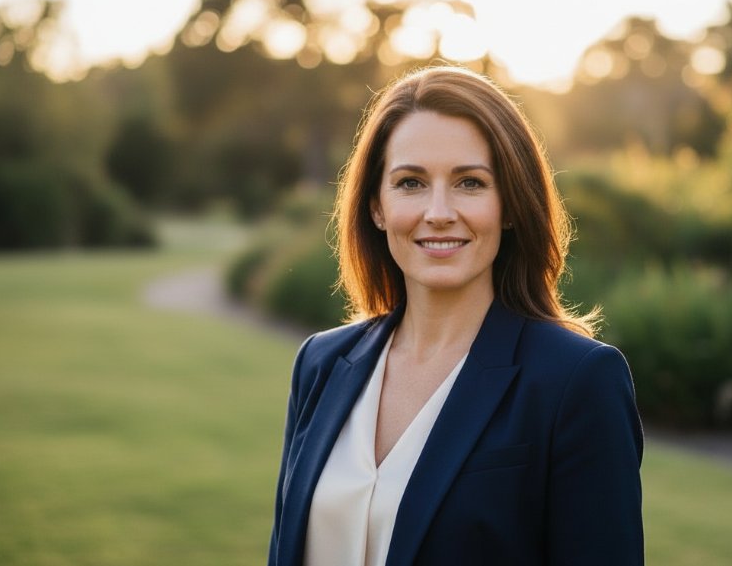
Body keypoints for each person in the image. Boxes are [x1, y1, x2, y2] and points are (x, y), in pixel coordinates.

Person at [267, 65, 644, 566]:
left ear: (509, 205)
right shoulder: (320, 363)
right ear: (376, 206)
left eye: (469, 182)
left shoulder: (576, 382)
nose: (439, 211)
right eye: (410, 183)